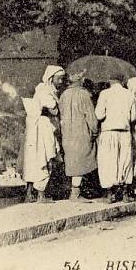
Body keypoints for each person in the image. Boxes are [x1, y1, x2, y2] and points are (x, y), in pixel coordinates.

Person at [22, 66, 65, 203]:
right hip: (42, 127)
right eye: (59, 79)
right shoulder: (45, 90)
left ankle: (29, 194)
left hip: (34, 128)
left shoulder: (43, 90)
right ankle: (41, 194)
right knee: (44, 157)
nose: (61, 82)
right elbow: (53, 111)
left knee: (32, 159)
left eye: (62, 79)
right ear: (51, 78)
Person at [94, 73, 136, 203]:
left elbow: (99, 115)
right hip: (125, 132)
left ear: (110, 80)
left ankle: (109, 194)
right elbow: (133, 117)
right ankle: (125, 193)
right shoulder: (129, 94)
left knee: (108, 162)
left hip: (109, 132)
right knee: (125, 161)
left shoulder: (104, 94)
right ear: (122, 81)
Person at [59, 71, 98, 202]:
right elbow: (91, 116)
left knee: (72, 160)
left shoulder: (64, 95)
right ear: (81, 82)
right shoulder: (84, 94)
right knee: (82, 161)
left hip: (67, 133)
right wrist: (95, 130)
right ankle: (75, 193)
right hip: (81, 132)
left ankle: (74, 190)